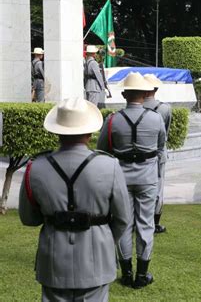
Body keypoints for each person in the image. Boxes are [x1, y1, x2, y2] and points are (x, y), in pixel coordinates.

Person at [19, 97, 131, 301]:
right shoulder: (110, 166)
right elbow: (123, 218)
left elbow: (28, 218)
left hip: (53, 260)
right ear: (90, 132)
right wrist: (103, 239)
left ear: (57, 131)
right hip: (97, 260)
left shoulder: (35, 167)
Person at [97, 72, 167, 289]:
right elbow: (160, 146)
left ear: (125, 94)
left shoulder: (112, 120)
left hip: (120, 178)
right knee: (145, 223)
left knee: (123, 224)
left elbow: (102, 150)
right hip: (147, 178)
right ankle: (142, 274)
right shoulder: (156, 118)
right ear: (145, 94)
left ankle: (126, 272)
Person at [143, 74, 172, 234]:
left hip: (138, 153)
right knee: (158, 187)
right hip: (157, 153)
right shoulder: (165, 108)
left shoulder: (134, 108)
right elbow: (165, 134)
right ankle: (154, 222)